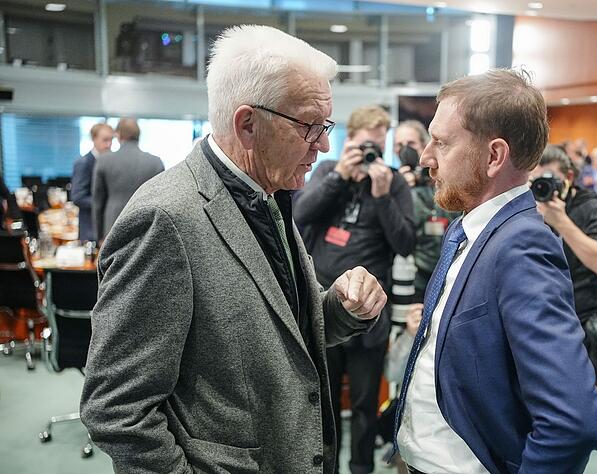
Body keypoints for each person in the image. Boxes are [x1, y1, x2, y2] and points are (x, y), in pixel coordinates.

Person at [80, 25, 387, 474]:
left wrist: (340, 309)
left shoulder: (267, 192)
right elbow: (116, 409)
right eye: (309, 126)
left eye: (326, 127)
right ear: (248, 125)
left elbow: (279, 337)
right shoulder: (164, 218)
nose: (323, 145)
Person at [394, 68, 597, 474]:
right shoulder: (468, 227)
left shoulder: (522, 245)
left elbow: (572, 422)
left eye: (441, 142)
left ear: (494, 156)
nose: (425, 157)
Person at [294, 105, 415, 474]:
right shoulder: (330, 170)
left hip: (368, 314)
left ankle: (362, 468)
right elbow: (298, 216)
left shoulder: (392, 182)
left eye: (378, 145)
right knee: (322, 404)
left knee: (364, 405)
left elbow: (405, 243)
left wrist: (382, 196)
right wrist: (340, 177)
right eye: (365, 145)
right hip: (321, 305)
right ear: (350, 141)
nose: (370, 153)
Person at [531, 144, 597, 321]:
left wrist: (561, 222)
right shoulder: (528, 210)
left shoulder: (592, 207)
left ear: (569, 177)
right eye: (535, 183)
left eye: (549, 180)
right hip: (542, 314)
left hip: (586, 316)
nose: (542, 188)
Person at [395, 119, 462, 300]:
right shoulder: (392, 182)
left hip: (448, 269)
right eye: (399, 145)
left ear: (423, 145)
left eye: (410, 144)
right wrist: (399, 190)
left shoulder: (444, 177)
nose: (405, 150)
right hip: (413, 275)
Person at [91, 118, 164, 241]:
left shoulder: (104, 160)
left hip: (112, 226)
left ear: (118, 135)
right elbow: (161, 202)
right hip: (145, 229)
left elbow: (98, 202)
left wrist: (99, 236)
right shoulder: (156, 163)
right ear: (138, 136)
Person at [71, 123, 113, 242]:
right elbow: (78, 197)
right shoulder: (84, 163)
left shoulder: (110, 162)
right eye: (105, 140)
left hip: (106, 228)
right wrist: (106, 203)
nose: (109, 144)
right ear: (94, 139)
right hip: (90, 230)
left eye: (111, 140)